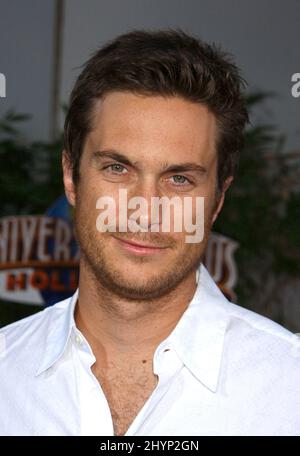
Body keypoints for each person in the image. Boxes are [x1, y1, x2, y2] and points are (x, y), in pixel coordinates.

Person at [0, 29, 299, 436]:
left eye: (179, 179)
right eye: (117, 169)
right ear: (71, 176)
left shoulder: (289, 388)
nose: (144, 211)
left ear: (217, 200)